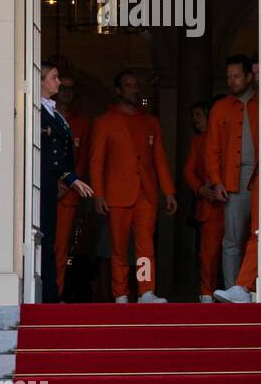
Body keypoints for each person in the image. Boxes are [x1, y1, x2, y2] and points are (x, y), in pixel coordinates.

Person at [89, 70, 177, 303]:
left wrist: (168, 191)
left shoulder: (151, 122)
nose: (133, 89)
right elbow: (96, 161)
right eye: (127, 85)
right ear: (118, 90)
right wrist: (98, 194)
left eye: (135, 85)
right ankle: (120, 294)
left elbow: (160, 158)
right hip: (117, 194)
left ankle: (146, 291)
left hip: (146, 193)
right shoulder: (104, 122)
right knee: (118, 248)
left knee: (146, 246)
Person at [38, 60, 94, 302]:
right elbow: (49, 151)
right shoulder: (36, 110)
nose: (58, 83)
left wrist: (71, 178)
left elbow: (66, 151)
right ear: (40, 80)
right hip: (43, 183)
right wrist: (69, 178)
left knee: (52, 241)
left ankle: (52, 294)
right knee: (44, 239)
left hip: (55, 184)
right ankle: (47, 295)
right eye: (54, 77)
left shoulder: (55, 113)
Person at [208, 55, 259, 303]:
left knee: (258, 234)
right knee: (232, 239)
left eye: (237, 76)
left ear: (250, 76)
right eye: (229, 77)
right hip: (233, 179)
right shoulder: (220, 108)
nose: (232, 81)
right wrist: (216, 181)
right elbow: (212, 148)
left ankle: (247, 288)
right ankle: (231, 291)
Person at [52, 67, 93, 297]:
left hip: (68, 195)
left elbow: (84, 159)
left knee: (61, 248)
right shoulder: (43, 113)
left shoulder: (83, 123)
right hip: (45, 191)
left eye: (71, 89)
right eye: (64, 88)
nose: (67, 93)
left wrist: (67, 184)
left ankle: (56, 293)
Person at [183, 100, 224, 303]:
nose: (194, 119)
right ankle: (207, 293)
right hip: (208, 204)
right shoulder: (197, 141)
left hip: (229, 201)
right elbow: (189, 171)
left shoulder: (226, 138)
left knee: (233, 248)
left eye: (198, 115)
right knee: (208, 254)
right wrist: (200, 189)